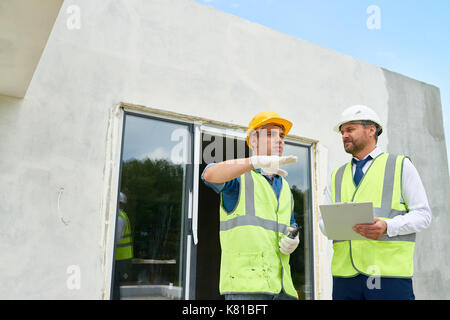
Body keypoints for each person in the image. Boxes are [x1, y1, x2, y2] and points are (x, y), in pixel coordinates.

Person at [320, 105, 432, 300]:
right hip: (345, 276)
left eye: (350, 129)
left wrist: (387, 226)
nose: (344, 135)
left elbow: (423, 215)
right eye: (342, 132)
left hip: (388, 274)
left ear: (371, 130)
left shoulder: (400, 166)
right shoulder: (336, 175)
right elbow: (323, 223)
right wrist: (334, 223)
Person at [202, 110, 300, 300]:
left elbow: (291, 224)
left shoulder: (285, 186)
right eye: (271, 134)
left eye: (282, 135)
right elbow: (209, 175)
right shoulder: (239, 179)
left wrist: (294, 238)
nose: (279, 140)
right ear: (253, 141)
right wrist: (254, 162)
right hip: (246, 288)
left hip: (283, 289)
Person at [113, 192, 134, 300]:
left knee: (114, 285)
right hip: (122, 257)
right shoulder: (122, 216)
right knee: (115, 285)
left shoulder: (119, 218)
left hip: (119, 258)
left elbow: (115, 239)